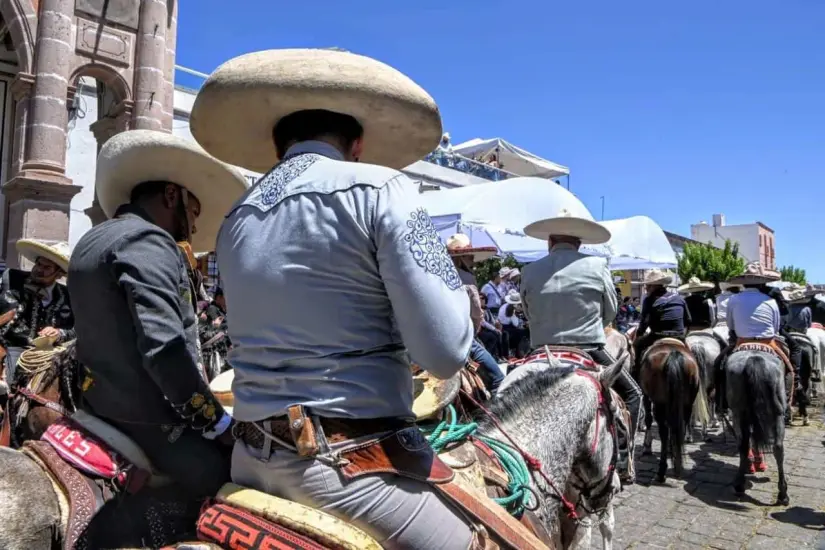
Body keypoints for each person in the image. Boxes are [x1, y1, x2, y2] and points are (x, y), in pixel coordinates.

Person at [191, 48, 486, 549]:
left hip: (249, 457)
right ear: (356, 144)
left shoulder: (236, 216)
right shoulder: (381, 186)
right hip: (346, 468)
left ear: (279, 146)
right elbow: (444, 351)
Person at [68, 130, 250, 525]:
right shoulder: (149, 242)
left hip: (97, 406)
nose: (195, 227)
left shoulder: (93, 239)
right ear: (172, 196)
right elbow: (164, 350)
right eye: (195, 211)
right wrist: (217, 424)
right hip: (151, 420)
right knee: (240, 482)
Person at [520, 207, 641, 484]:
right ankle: (622, 459)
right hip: (588, 347)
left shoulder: (529, 270)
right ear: (580, 243)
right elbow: (610, 312)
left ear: (550, 242)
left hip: (541, 350)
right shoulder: (598, 266)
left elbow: (527, 312)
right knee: (633, 395)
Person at [714, 263, 795, 423]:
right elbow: (776, 326)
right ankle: (784, 404)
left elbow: (730, 325)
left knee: (719, 365)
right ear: (762, 283)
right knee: (790, 370)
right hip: (768, 342)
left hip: (741, 342)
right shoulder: (770, 300)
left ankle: (722, 403)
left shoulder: (733, 299)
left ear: (743, 282)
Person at [0, 239, 74, 384]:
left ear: (59, 274)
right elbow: (7, 323)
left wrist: (59, 333)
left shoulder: (66, 295)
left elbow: (78, 328)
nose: (39, 269)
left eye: (47, 267)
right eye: (39, 264)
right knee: (9, 382)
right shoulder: (13, 280)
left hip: (51, 353)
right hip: (12, 347)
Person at [446, 234, 505, 393]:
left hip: (434, 334)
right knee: (499, 380)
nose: (473, 260)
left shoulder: (436, 275)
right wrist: (475, 328)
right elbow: (477, 313)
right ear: (461, 258)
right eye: (470, 257)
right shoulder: (467, 278)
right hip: (460, 335)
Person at [478, 293, 509, 360]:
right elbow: (483, 323)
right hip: (482, 330)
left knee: (505, 334)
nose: (481, 300)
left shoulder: (487, 309)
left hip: (489, 329)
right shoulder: (478, 310)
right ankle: (495, 356)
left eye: (483, 298)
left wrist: (497, 324)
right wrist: (494, 329)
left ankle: (505, 355)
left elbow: (492, 320)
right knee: (495, 335)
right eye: (479, 298)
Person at [498, 290, 529, 358]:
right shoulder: (511, 309)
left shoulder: (504, 306)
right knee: (524, 332)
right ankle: (521, 352)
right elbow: (517, 324)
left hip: (503, 326)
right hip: (507, 329)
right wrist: (526, 324)